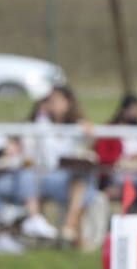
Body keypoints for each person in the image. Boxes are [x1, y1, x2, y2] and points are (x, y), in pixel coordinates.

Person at [16, 85, 96, 243]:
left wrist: (86, 129)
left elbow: (90, 139)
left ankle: (69, 224)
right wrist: (41, 115)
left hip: (69, 180)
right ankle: (65, 227)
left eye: (58, 100)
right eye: (51, 100)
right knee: (84, 187)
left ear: (68, 103)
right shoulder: (41, 123)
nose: (54, 104)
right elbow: (28, 147)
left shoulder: (77, 126)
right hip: (45, 178)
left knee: (83, 179)